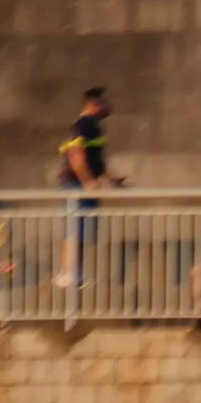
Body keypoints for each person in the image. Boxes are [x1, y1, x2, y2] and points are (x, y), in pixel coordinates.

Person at [55, 87, 125, 291]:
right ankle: (68, 273)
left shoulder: (94, 127)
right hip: (75, 185)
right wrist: (87, 181)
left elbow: (98, 162)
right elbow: (76, 155)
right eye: (106, 102)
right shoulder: (84, 125)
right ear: (95, 104)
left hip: (81, 184)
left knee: (80, 230)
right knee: (75, 229)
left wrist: (113, 180)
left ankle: (72, 272)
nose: (109, 106)